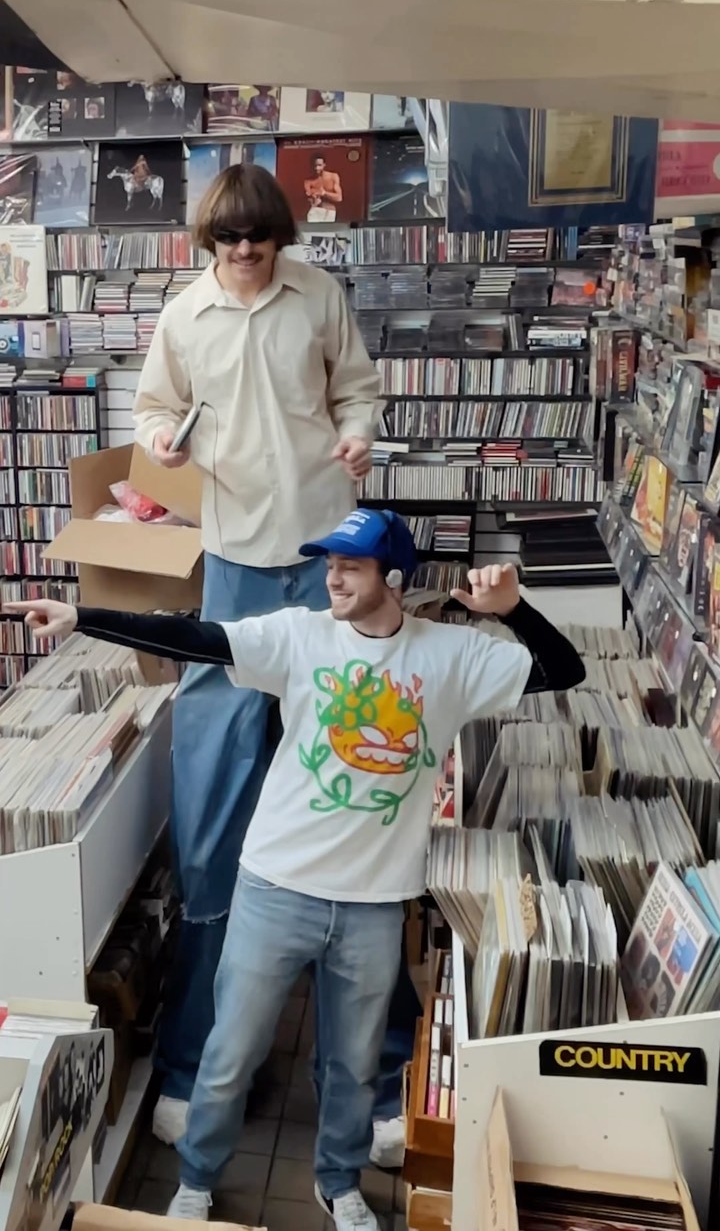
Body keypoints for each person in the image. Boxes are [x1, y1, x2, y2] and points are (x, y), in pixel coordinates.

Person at [8, 509, 586, 1231]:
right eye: (329, 564)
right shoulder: (299, 636)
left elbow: (564, 670)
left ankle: (338, 1184)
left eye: (350, 566)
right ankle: (196, 1182)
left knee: (354, 1066)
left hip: (375, 905)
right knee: (229, 1055)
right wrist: (82, 617)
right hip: (274, 890)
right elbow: (197, 638)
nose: (332, 578)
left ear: (394, 577)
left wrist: (514, 609)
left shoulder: (452, 656)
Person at [132, 163, 382, 1147]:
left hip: (325, 552)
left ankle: (373, 1074)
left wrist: (358, 435)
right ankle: (195, 1063)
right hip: (236, 559)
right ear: (209, 243)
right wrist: (164, 437)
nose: (245, 254)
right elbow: (153, 410)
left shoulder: (318, 296)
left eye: (260, 239)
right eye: (229, 241)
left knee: (347, 781)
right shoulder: (184, 315)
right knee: (216, 796)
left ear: (282, 237)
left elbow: (355, 388)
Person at [304, 154, 343, 222]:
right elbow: (308, 198)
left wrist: (324, 193)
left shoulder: (333, 177)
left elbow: (339, 198)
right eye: (315, 165)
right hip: (315, 211)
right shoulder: (308, 181)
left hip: (330, 211)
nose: (317, 168)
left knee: (327, 229)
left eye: (319, 165)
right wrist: (313, 199)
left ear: (324, 165)